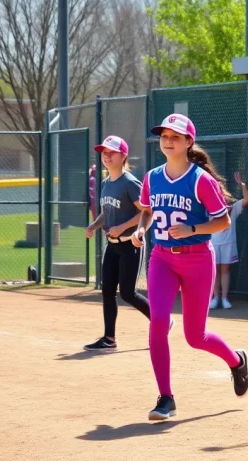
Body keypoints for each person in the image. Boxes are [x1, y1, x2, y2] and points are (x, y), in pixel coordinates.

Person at [132, 113, 248, 421]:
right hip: (163, 258)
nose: (167, 141)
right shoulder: (152, 177)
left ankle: (236, 361)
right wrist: (142, 229)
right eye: (164, 136)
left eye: (175, 136)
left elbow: (223, 220)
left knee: (195, 337)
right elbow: (147, 211)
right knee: (157, 321)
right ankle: (165, 398)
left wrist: (192, 229)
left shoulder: (201, 179)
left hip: (197, 259)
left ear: (188, 142)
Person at [83, 136, 167, 352]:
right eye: (104, 152)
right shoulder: (105, 183)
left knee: (128, 293)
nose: (107, 155)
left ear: (123, 156)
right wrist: (94, 224)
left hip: (131, 244)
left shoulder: (130, 183)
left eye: (112, 152)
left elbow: (146, 211)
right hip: (112, 246)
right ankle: (109, 338)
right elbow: (106, 211)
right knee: (108, 291)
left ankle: (162, 322)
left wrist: (123, 228)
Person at [210, 172, 248, 310]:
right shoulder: (208, 207)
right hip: (213, 243)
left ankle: (224, 298)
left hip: (228, 243)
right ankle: (215, 298)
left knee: (225, 269)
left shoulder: (232, 208)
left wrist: (242, 184)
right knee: (215, 270)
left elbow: (247, 199)